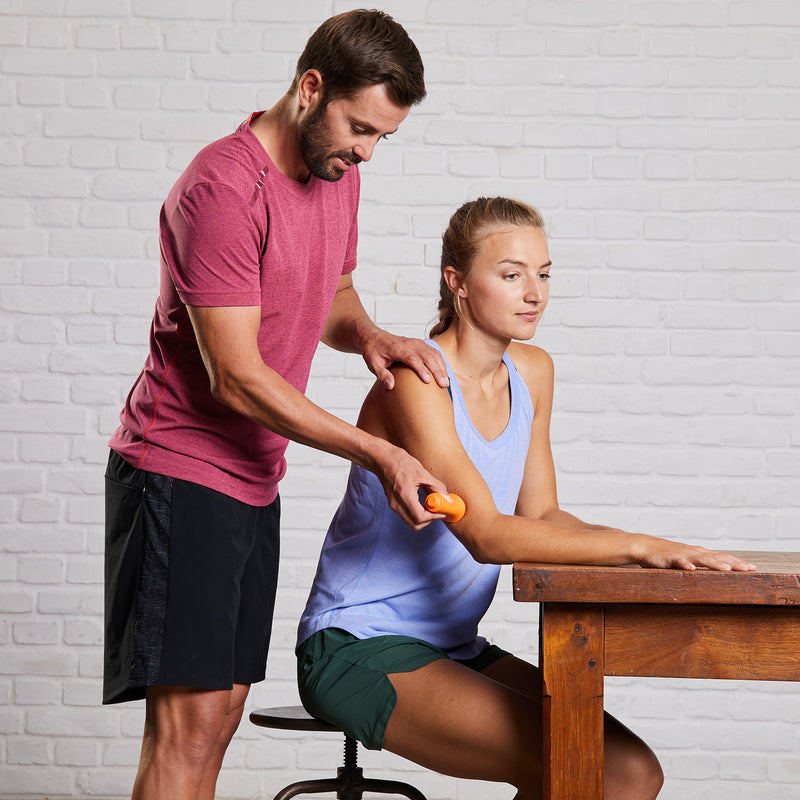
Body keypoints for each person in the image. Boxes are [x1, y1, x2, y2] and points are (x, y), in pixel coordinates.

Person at [296, 196, 757, 800]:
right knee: (592, 769)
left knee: (632, 772)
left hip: (453, 646)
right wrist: (638, 547)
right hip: (357, 645)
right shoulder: (416, 381)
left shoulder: (533, 372)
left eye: (543, 274)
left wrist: (667, 551)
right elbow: (486, 533)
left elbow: (541, 514)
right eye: (512, 275)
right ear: (457, 282)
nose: (534, 293)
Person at [103, 10, 454, 800]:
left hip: (253, 480)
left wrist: (371, 336)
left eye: (382, 138)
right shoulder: (223, 189)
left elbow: (333, 293)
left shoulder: (337, 175)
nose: (366, 152)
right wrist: (381, 454)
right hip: (178, 473)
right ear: (311, 88)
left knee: (220, 714)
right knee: (188, 726)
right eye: (360, 129)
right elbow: (236, 377)